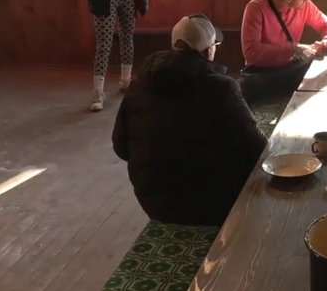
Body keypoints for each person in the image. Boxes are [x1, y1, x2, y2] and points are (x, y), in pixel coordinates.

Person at [112, 14, 267, 227]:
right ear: (208, 51)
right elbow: (257, 148)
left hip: (154, 203)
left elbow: (121, 148)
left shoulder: (140, 84)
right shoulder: (222, 88)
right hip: (212, 203)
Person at [238, 0, 327, 102]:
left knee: (320, 69)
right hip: (261, 71)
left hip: (290, 67)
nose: (307, 0)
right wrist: (294, 49)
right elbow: (251, 52)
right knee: (246, 87)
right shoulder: (256, 8)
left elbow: (326, 24)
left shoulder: (304, 5)